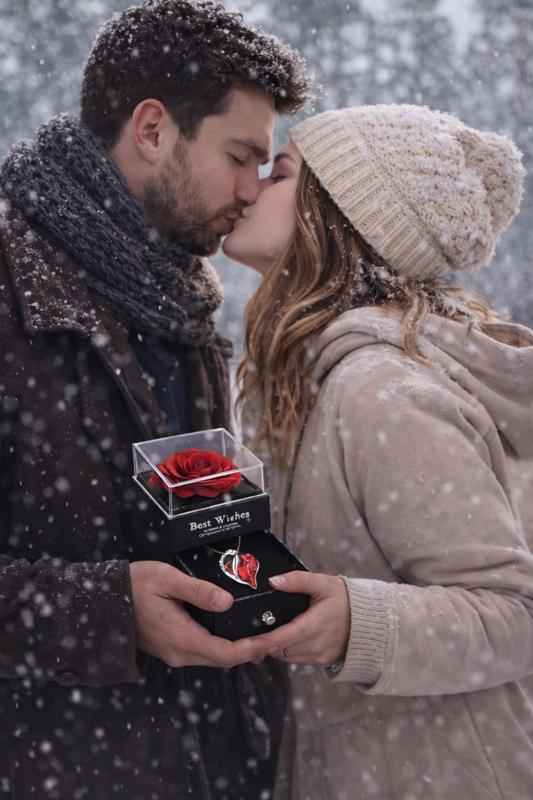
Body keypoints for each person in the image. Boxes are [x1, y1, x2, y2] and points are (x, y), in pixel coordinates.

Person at [0, 1, 310, 797]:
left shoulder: (179, 301)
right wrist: (109, 609)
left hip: (208, 759)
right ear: (151, 129)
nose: (252, 190)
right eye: (241, 156)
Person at [223, 104, 533, 799]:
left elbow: (513, 615)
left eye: (279, 173)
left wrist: (354, 623)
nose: (248, 188)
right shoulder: (325, 380)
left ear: (335, 216)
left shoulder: (379, 390)